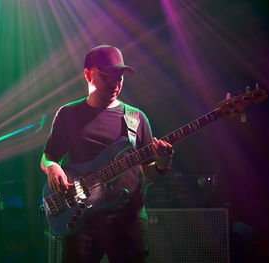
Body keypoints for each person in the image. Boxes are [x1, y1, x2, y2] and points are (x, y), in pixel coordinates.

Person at [41, 44, 174, 263]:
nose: (115, 83)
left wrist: (161, 164)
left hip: (128, 219)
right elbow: (48, 157)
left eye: (120, 78)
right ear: (88, 74)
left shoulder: (137, 118)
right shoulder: (67, 115)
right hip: (82, 217)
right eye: (108, 77)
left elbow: (148, 174)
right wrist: (52, 167)